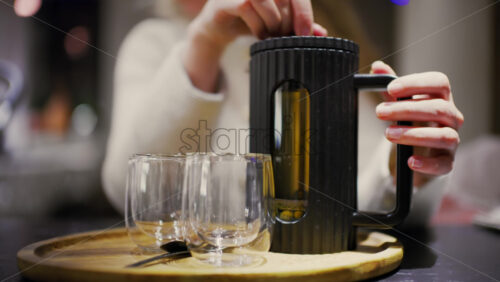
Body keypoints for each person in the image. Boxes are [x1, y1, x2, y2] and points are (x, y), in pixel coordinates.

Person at [102, 0, 464, 227]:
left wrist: (406, 163)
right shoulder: (155, 42)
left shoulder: (329, 37)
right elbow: (131, 194)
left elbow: (357, 202)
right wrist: (206, 41)